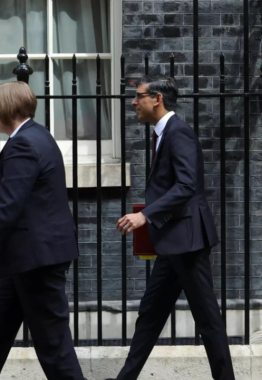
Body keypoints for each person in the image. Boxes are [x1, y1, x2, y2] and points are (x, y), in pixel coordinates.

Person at [0, 81, 84, 380]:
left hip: (35, 262)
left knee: (54, 347)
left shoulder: (24, 144)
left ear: (8, 109)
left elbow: (8, 209)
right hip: (22, 260)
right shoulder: (36, 135)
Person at [110, 75, 235, 380]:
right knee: (150, 314)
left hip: (188, 241)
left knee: (207, 319)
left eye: (139, 96)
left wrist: (145, 215)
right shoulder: (163, 133)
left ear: (157, 98)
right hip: (173, 242)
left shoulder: (178, 133)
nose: (133, 102)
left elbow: (186, 186)